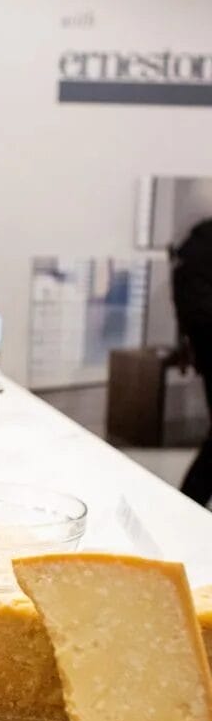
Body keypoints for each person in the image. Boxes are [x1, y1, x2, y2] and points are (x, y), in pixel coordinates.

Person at [171, 216, 212, 507]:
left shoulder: (194, 249)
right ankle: (187, 505)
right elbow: (199, 314)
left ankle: (186, 505)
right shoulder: (201, 249)